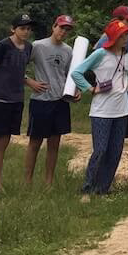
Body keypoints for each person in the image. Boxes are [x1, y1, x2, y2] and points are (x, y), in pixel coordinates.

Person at [70, 18, 128, 199]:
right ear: (115, 38)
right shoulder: (100, 54)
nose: (127, 38)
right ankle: (88, 187)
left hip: (122, 111)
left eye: (127, 35)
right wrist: (90, 89)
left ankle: (103, 188)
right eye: (123, 35)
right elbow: (77, 72)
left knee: (115, 151)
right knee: (100, 150)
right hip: (101, 111)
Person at [0, 12, 35, 192]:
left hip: (16, 98)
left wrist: (28, 81)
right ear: (13, 29)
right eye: (22, 28)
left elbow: (20, 70)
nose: (26, 31)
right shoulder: (3, 45)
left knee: (4, 141)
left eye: (28, 28)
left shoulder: (28, 47)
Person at [25, 15, 75, 187]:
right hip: (41, 100)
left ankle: (49, 182)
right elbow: (19, 64)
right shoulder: (38, 46)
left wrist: (74, 91)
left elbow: (70, 74)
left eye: (67, 30)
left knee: (54, 143)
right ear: (54, 27)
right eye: (61, 28)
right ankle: (27, 181)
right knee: (35, 142)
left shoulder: (68, 50)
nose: (63, 32)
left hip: (60, 100)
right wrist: (29, 81)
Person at [97, 6, 128, 139]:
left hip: (126, 98)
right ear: (117, 20)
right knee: (106, 141)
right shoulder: (106, 42)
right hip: (108, 99)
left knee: (117, 141)